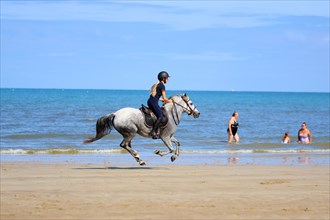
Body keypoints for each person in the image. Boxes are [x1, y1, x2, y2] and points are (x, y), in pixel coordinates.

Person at [147, 71, 172, 139]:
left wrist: (161, 100)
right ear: (164, 78)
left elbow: (156, 96)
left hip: (151, 101)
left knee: (159, 114)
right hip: (153, 102)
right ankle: (153, 132)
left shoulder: (158, 85)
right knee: (160, 116)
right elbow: (165, 98)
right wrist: (171, 101)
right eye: (167, 78)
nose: (168, 79)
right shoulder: (162, 86)